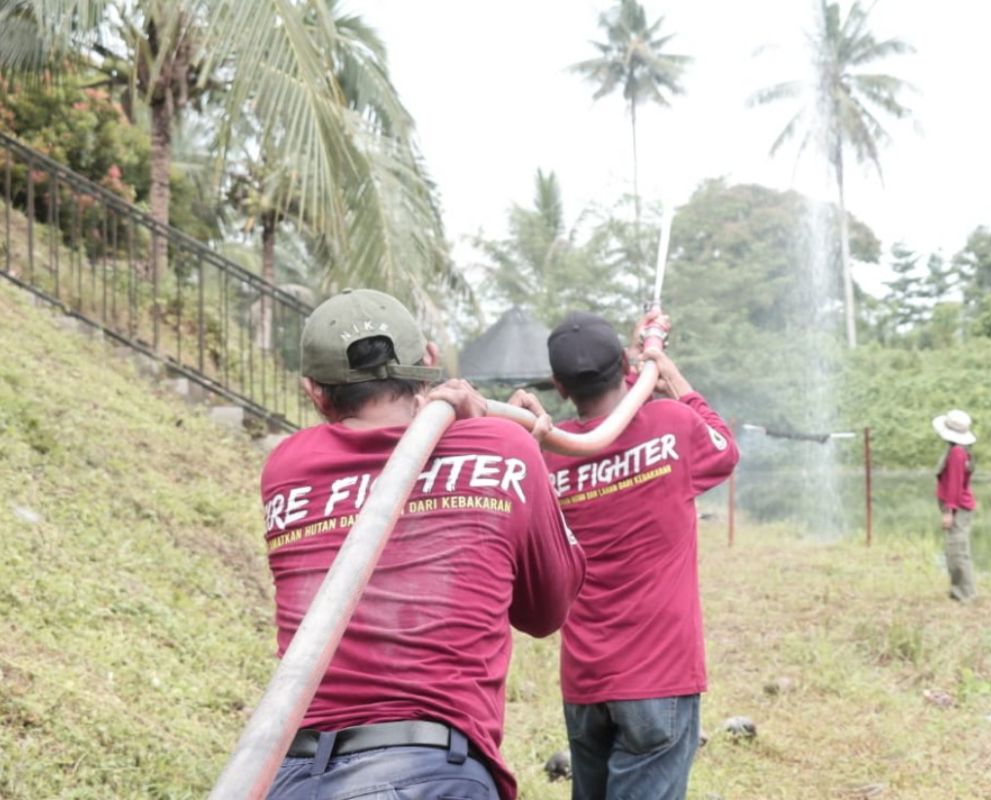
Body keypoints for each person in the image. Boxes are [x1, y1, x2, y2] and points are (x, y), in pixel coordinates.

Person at [260, 288, 586, 800]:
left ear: (313, 392)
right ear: (429, 362)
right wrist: (507, 442)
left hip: (293, 775)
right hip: (431, 772)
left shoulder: (286, 466)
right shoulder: (501, 444)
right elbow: (546, 611)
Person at [510, 310, 739, 800]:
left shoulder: (546, 455)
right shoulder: (673, 424)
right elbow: (724, 449)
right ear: (623, 363)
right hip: (659, 679)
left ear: (560, 386)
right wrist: (661, 363)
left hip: (586, 683)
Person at [933, 408, 977, 601]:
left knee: (958, 550)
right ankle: (957, 590)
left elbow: (955, 484)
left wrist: (949, 511)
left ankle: (965, 594)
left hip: (958, 508)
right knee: (954, 549)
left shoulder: (957, 453)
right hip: (957, 506)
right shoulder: (957, 450)